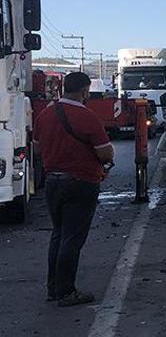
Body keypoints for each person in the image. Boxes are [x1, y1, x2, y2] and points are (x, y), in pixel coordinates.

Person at [33, 72, 114, 307]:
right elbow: (105, 152)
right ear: (84, 91)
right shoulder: (86, 116)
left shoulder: (46, 115)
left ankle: (53, 288)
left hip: (52, 182)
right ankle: (67, 291)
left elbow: (37, 150)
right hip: (81, 182)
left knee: (58, 234)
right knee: (72, 238)